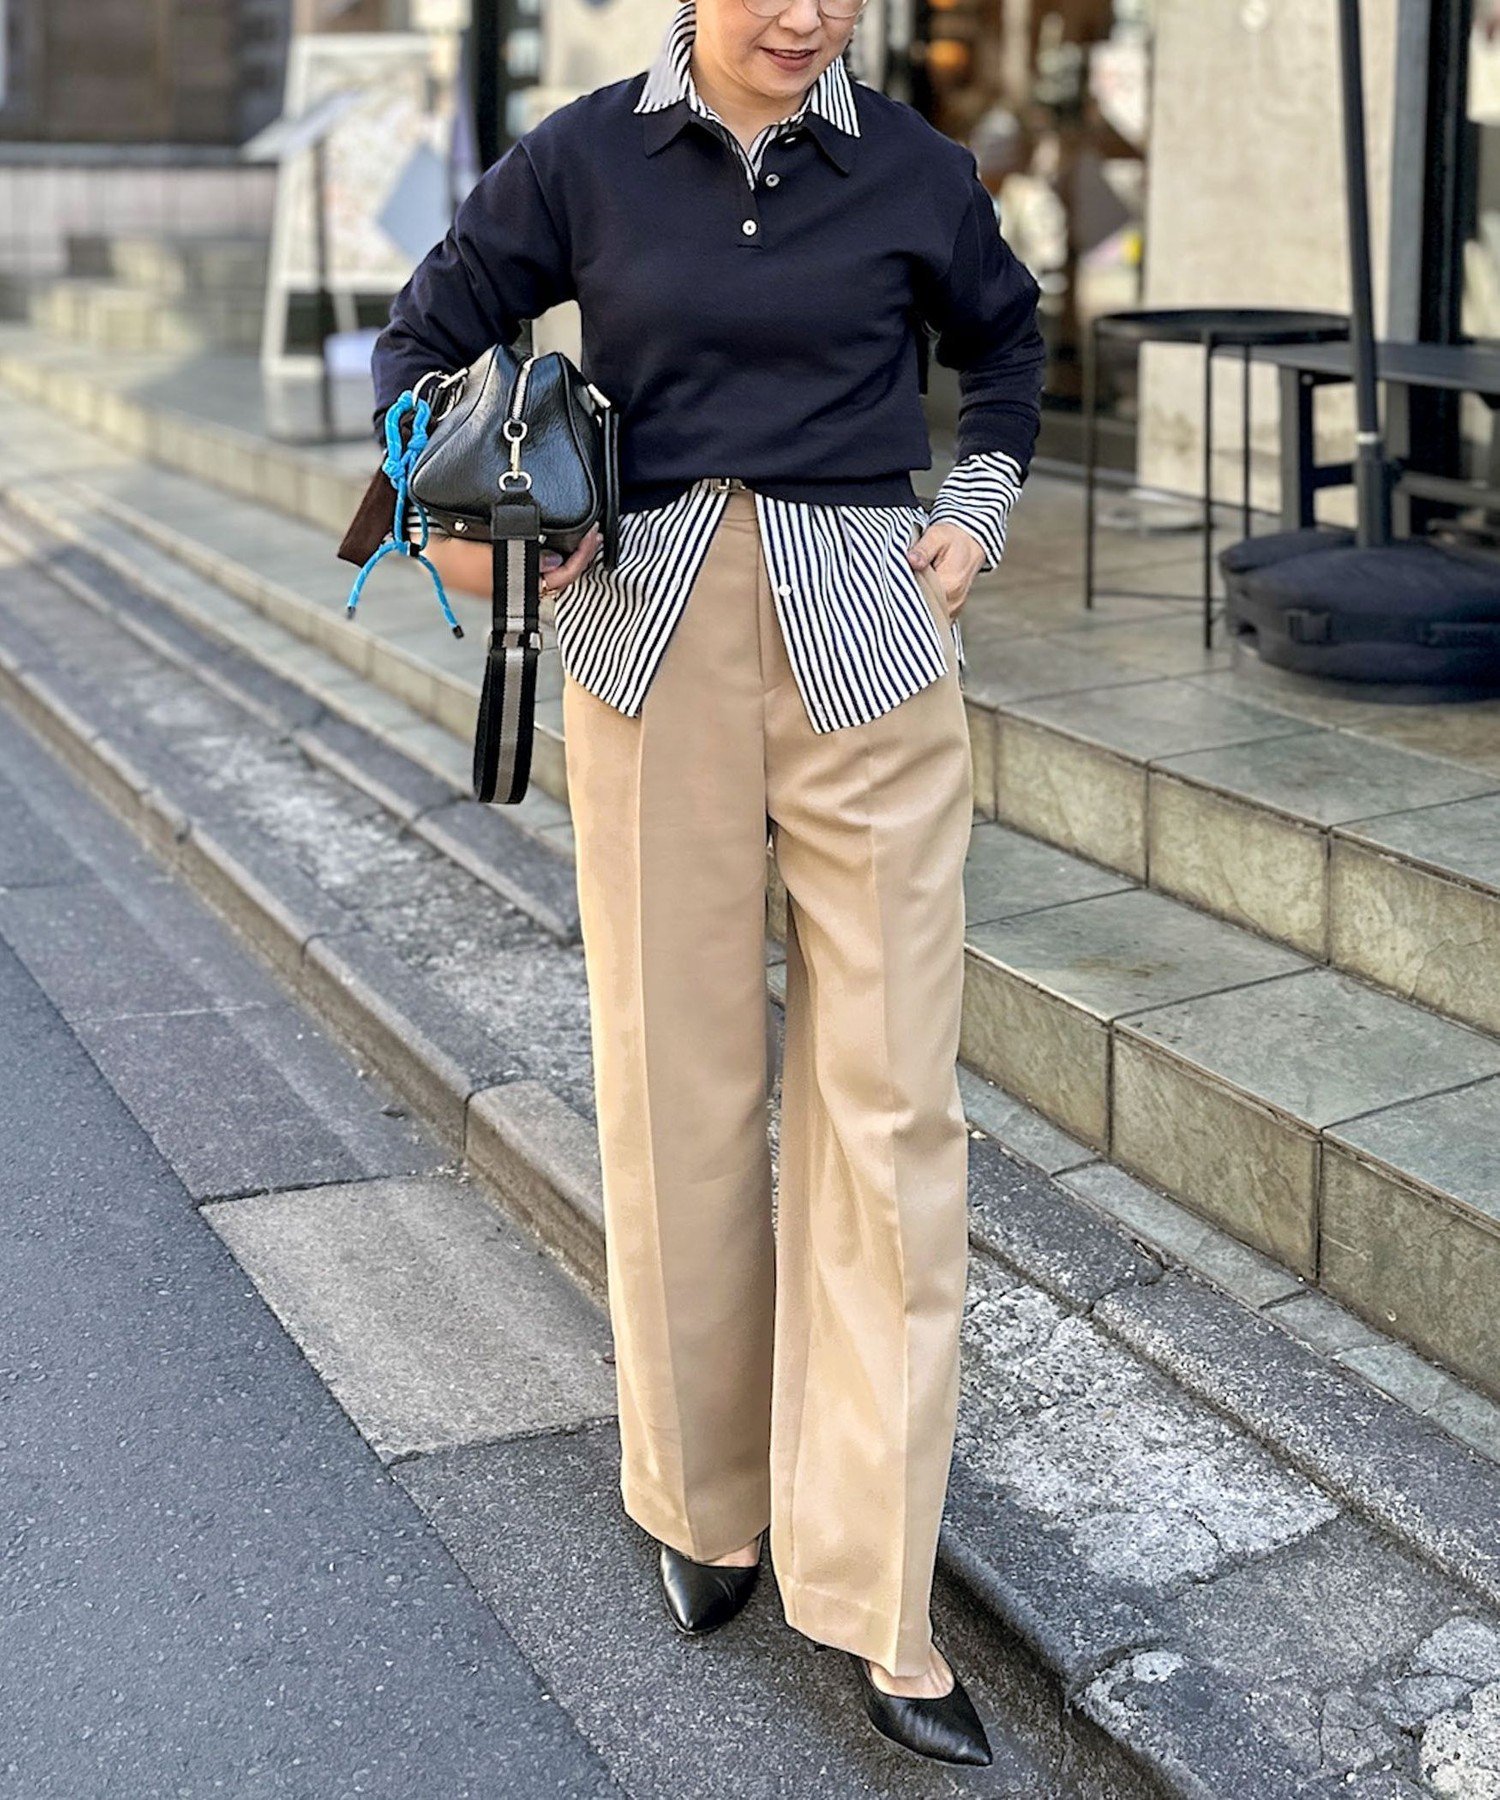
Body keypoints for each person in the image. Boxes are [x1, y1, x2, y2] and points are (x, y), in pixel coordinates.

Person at [370, 0, 1045, 1767]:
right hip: (643, 643)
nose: (805, 16)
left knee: (892, 1110)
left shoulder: (915, 166)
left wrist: (975, 511)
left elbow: (1010, 344)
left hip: (872, 649)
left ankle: (878, 1593)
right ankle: (701, 1498)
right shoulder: (583, 156)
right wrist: (460, 503)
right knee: (674, 1084)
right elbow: (425, 334)